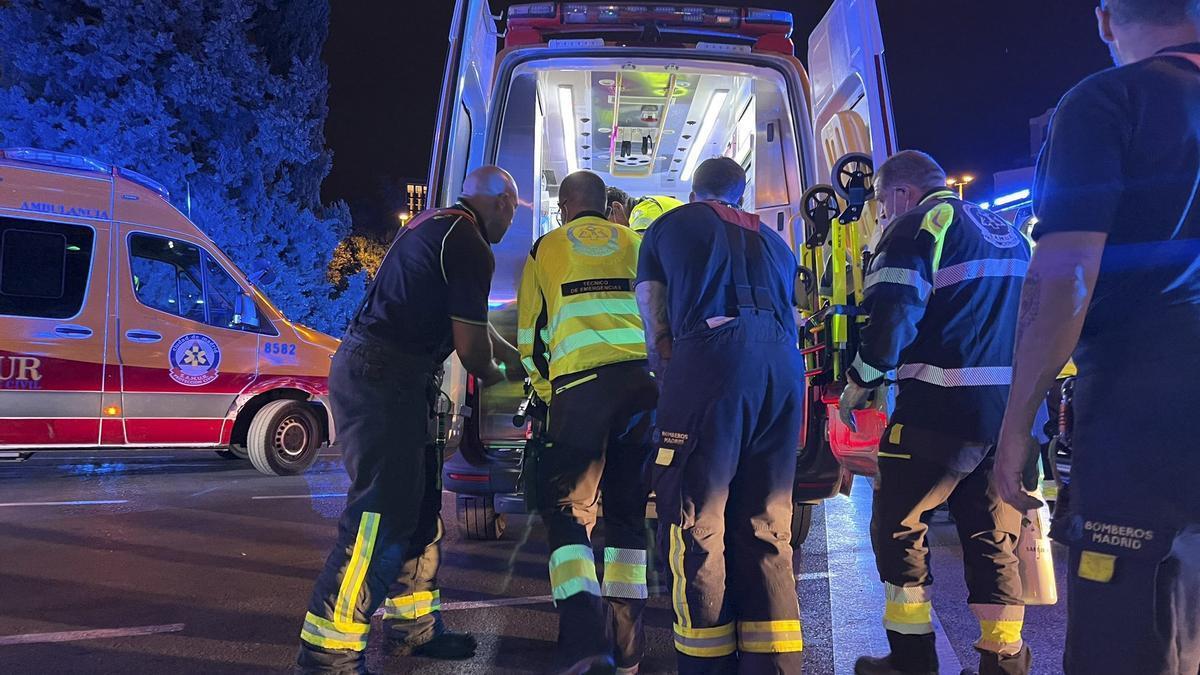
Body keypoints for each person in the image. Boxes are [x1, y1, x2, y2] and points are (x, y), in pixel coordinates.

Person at [994, 1, 1200, 672]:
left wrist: (1016, 425)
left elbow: (1064, 281)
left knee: (1127, 634)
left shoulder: (1107, 101)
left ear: (1106, 18)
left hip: (1146, 406)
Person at [296, 166, 524, 674]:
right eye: (515, 210)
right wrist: (500, 378)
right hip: (385, 379)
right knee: (379, 519)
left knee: (420, 512)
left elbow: (473, 327)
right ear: (504, 203)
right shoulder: (469, 244)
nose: (512, 222)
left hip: (388, 375)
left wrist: (516, 358)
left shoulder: (433, 223)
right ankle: (327, 655)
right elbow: (471, 350)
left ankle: (414, 628)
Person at [839, 150, 1032, 675]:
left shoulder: (917, 224)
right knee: (992, 537)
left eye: (880, 202)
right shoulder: (1009, 230)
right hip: (1006, 417)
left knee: (900, 527)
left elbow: (895, 308)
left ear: (900, 193)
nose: (880, 213)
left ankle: (912, 661)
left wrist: (865, 378)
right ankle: (1003, 660)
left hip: (936, 412)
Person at [637, 157, 806, 674]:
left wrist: (669, 383)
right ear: (742, 191)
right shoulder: (777, 243)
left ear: (693, 190)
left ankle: (706, 664)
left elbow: (653, 313)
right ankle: (773, 664)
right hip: (782, 369)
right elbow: (795, 314)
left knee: (696, 520)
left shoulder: (669, 226)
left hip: (711, 362)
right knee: (767, 520)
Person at [516, 170, 657, 675]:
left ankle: (583, 645)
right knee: (625, 520)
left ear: (564, 205)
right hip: (643, 389)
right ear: (606, 204)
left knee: (569, 514)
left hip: (579, 392)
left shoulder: (545, 248)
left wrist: (550, 395)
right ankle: (628, 651)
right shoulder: (638, 242)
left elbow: (529, 338)